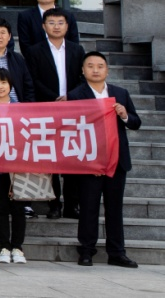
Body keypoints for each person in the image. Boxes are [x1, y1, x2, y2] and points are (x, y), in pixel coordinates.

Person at [70, 51, 140, 268]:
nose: (95, 70)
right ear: (83, 70)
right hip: (90, 161)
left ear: (107, 70)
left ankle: (117, 253)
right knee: (88, 207)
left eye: (100, 66)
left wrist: (124, 115)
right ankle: (86, 250)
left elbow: (136, 122)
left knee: (115, 209)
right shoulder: (76, 95)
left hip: (117, 160)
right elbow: (72, 129)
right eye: (90, 66)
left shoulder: (120, 93)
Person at [27, 7, 88, 219]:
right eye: (51, 23)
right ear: (44, 26)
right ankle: (54, 204)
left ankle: (72, 204)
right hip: (46, 109)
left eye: (60, 23)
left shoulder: (77, 50)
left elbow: (83, 78)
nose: (56, 27)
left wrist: (70, 96)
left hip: (72, 109)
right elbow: (33, 80)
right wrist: (54, 97)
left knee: (71, 157)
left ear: (67, 26)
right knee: (50, 158)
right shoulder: (34, 51)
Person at [0, 67, 28, 264]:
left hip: (18, 167)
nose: (0, 86)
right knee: (0, 208)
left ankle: (17, 247)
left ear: (10, 85)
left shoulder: (21, 108)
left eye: (3, 82)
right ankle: (4, 247)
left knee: (18, 208)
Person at [17, 0, 82, 57]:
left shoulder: (68, 16)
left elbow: (74, 44)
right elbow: (25, 47)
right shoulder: (25, 16)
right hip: (36, 62)